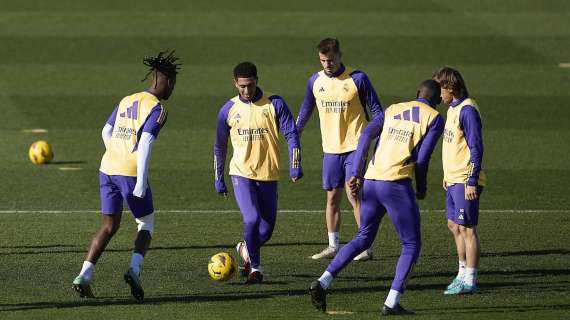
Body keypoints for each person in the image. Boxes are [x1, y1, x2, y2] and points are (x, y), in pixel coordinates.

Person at [309, 80, 444, 315]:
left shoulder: (392, 109)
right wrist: (421, 188)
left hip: (371, 181)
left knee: (363, 237)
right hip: (396, 185)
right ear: (438, 100)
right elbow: (422, 159)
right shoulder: (434, 117)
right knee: (411, 244)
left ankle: (323, 281)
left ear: (416, 94)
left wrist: (356, 173)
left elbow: (365, 138)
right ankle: (392, 302)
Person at [71, 51, 180, 302]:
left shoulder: (127, 99)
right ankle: (133, 269)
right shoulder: (157, 109)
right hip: (130, 172)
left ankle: (83, 276)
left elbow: (105, 131)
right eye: (173, 83)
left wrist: (115, 154)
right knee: (146, 223)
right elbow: (145, 144)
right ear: (166, 81)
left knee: (109, 225)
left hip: (107, 168)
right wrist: (140, 180)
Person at [213, 62, 302, 284]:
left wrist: (295, 164)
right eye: (241, 86)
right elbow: (219, 146)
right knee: (251, 219)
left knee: (266, 231)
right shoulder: (228, 110)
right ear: (235, 83)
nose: (246, 91)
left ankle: (244, 248)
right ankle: (256, 268)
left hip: (268, 175)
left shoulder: (275, 103)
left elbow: (291, 134)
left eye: (250, 85)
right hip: (241, 173)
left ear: (257, 80)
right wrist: (218, 177)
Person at [296, 38, 383, 261]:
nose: (328, 64)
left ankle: (365, 246)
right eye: (323, 60)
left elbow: (377, 112)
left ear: (340, 56)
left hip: (356, 147)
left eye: (331, 60)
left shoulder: (358, 79)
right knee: (332, 198)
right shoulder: (315, 81)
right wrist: (294, 134)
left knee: (354, 195)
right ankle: (333, 245)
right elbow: (306, 110)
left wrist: (375, 138)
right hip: (331, 149)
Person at [433, 67, 486, 295]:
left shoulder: (467, 111)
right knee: (454, 226)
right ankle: (461, 273)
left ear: (450, 88)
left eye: (440, 90)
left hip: (466, 180)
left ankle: (470, 280)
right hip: (454, 179)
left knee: (467, 229)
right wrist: (447, 175)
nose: (438, 95)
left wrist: (471, 180)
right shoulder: (453, 109)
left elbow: (476, 148)